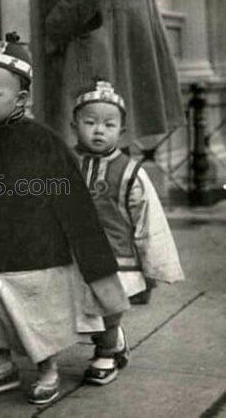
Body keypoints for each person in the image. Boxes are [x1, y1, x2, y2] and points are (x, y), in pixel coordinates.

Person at [0, 33, 130, 404]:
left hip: (32, 253)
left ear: (21, 99)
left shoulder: (43, 142)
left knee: (35, 317)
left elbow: (72, 202)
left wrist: (91, 256)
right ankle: (0, 363)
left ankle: (47, 368)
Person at [43, 0, 184, 146]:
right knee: (112, 145)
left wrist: (51, 28)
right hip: (125, 41)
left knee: (84, 150)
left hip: (91, 45)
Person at [71, 80, 184, 307]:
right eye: (90, 122)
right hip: (70, 258)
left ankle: (113, 340)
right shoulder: (63, 163)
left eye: (109, 125)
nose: (99, 130)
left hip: (116, 258)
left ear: (121, 131)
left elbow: (148, 220)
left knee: (109, 311)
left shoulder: (130, 172)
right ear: (74, 126)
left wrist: (153, 269)